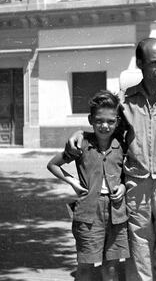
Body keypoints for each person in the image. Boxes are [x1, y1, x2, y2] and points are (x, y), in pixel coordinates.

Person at [67, 38, 156, 281]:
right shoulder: (124, 100)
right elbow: (104, 125)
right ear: (140, 63)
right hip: (135, 185)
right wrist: (82, 134)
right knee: (138, 254)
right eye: (155, 63)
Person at [47, 90, 129, 281]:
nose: (104, 125)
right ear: (91, 119)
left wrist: (123, 187)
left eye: (110, 121)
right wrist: (72, 181)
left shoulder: (122, 146)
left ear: (117, 121)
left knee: (112, 268)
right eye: (99, 120)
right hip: (88, 213)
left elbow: (128, 174)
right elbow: (53, 164)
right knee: (85, 266)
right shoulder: (81, 144)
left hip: (117, 213)